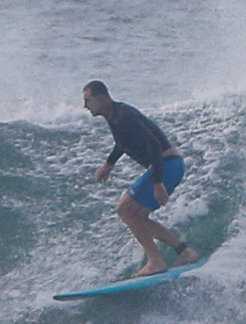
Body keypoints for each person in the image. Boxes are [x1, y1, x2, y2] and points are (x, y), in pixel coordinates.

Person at [82, 80, 198, 276]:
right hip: (169, 165)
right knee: (136, 216)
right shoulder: (115, 115)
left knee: (124, 209)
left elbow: (153, 145)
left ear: (101, 99)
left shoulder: (124, 116)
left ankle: (156, 261)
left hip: (167, 165)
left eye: (88, 100)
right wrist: (109, 164)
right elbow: (122, 142)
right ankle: (184, 252)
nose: (85, 105)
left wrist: (158, 183)